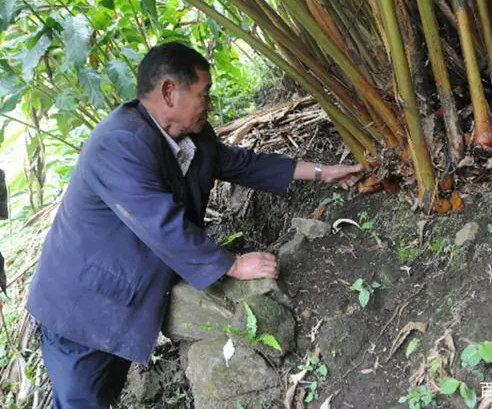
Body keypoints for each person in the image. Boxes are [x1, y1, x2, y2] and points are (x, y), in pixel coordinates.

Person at [26, 42, 363, 408]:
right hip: (83, 307)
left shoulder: (193, 136)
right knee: (81, 400)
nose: (211, 104)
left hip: (121, 305)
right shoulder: (118, 143)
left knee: (100, 397)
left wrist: (322, 172)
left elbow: (242, 163)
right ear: (170, 91)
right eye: (204, 93)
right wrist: (232, 265)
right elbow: (160, 222)